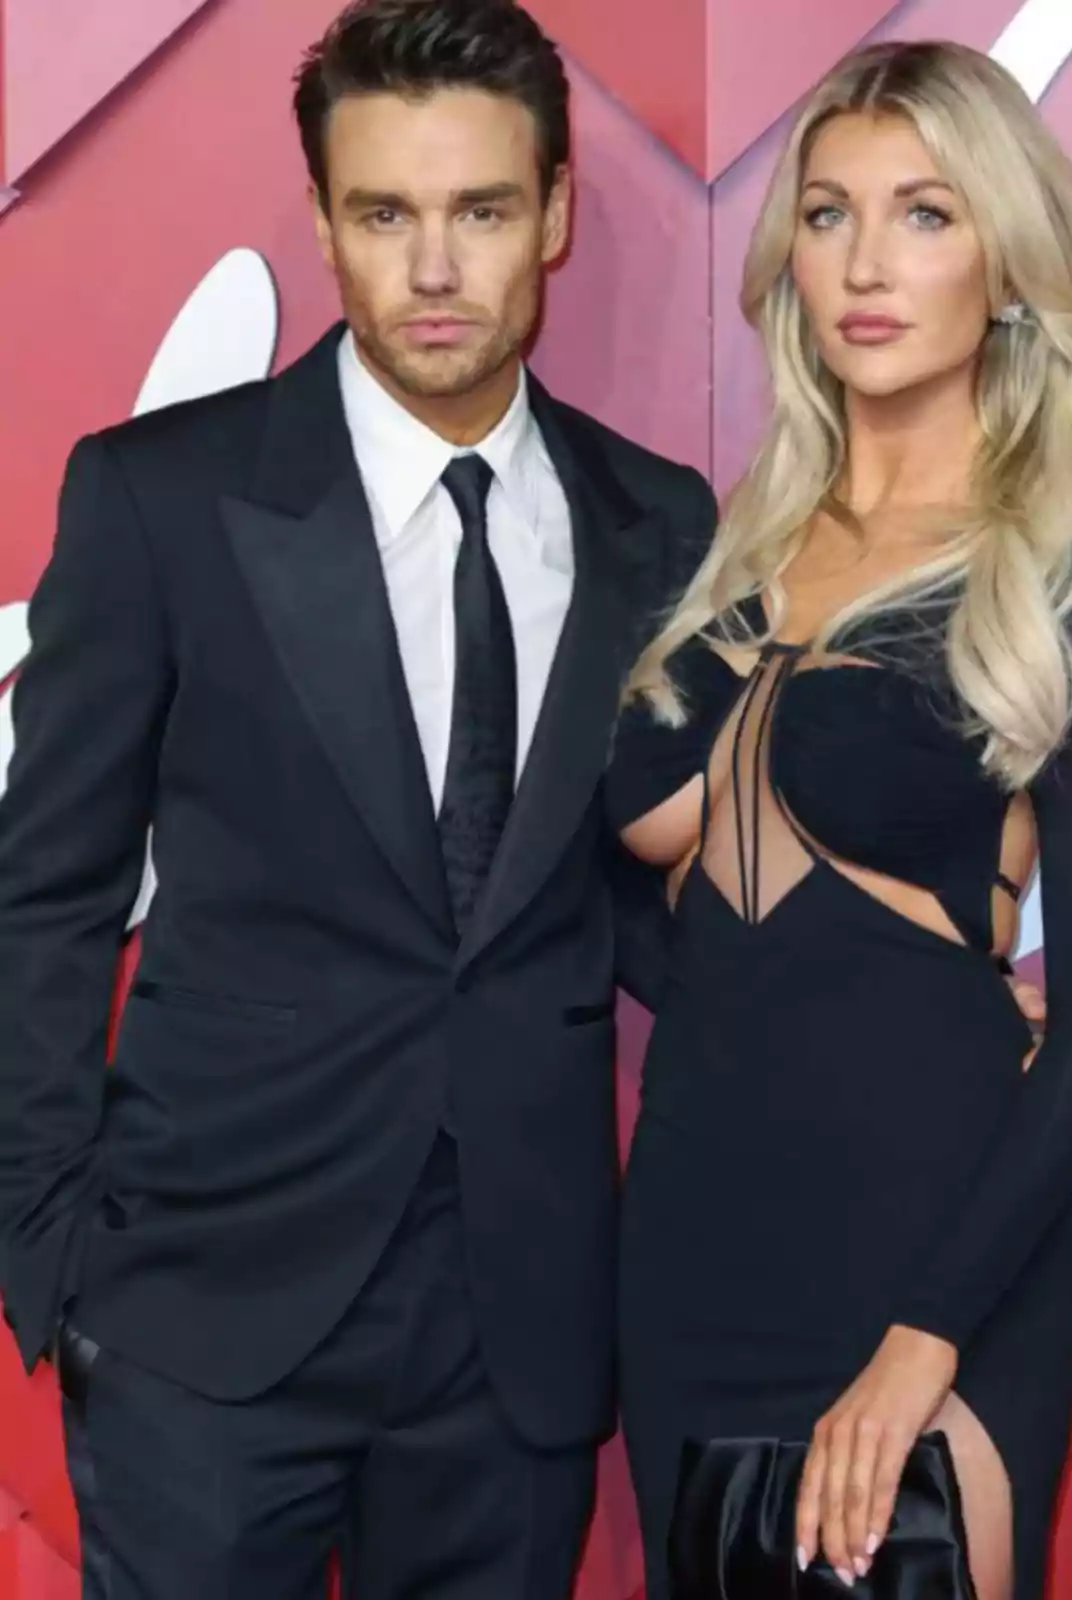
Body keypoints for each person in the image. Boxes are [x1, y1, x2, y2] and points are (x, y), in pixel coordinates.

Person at [0, 2, 719, 1596]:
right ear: (326, 222)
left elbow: (645, 898)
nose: (437, 267)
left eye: (480, 210)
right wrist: (52, 1253)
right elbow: (42, 894)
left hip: (516, 1338)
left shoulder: (656, 523)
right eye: (386, 214)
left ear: (558, 212)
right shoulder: (160, 498)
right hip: (200, 1316)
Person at [608, 39, 1072, 1600]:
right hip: (697, 1247)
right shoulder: (717, 570)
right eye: (831, 214)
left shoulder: (1067, 585)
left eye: (924, 214)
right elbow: (613, 902)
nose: (864, 262)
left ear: (1005, 263)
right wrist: (841, 980)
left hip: (930, 1255)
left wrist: (927, 1339)